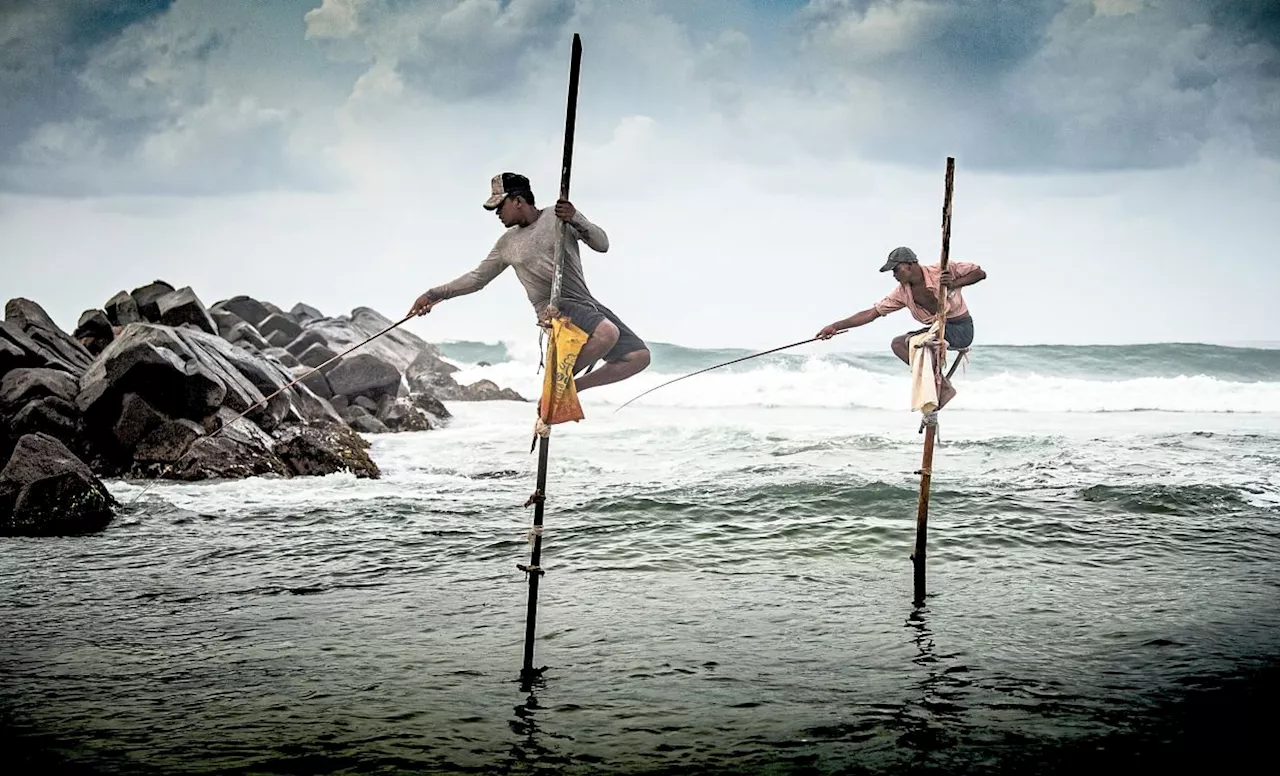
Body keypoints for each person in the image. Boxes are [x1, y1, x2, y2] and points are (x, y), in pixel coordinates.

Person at [408, 172, 651, 391]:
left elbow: (603, 244)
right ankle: (555, 383)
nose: (497, 214)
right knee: (607, 333)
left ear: (518, 201)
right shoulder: (506, 243)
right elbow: (476, 279)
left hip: (585, 304)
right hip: (554, 308)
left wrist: (576, 218)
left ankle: (571, 389)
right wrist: (432, 294)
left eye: (500, 206)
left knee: (639, 357)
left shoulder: (559, 217)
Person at [816, 246, 986, 408]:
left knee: (920, 340)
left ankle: (939, 385)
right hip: (936, 331)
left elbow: (980, 273)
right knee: (898, 344)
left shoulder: (941, 269)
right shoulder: (902, 292)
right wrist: (835, 326)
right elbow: (871, 313)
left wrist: (954, 282)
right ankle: (939, 384)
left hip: (960, 329)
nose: (894, 275)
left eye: (896, 270)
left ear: (911, 265)